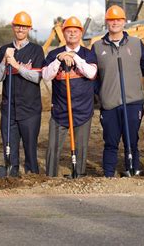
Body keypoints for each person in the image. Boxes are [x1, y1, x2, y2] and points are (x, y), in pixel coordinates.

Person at [92, 5, 144, 177]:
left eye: (118, 19)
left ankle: (133, 170)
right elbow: (93, 75)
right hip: (109, 103)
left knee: (132, 141)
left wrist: (133, 80)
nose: (115, 23)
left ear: (124, 22)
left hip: (132, 102)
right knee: (110, 142)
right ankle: (109, 174)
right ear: (107, 22)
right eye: (111, 20)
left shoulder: (136, 43)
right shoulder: (97, 47)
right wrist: (100, 93)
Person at [42, 16, 97, 177]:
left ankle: (78, 175)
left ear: (80, 33)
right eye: (68, 31)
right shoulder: (54, 54)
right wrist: (59, 59)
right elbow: (46, 76)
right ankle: (51, 176)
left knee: (81, 147)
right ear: (63, 34)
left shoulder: (88, 54)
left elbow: (92, 73)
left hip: (83, 110)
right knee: (53, 147)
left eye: (75, 31)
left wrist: (74, 57)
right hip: (60, 110)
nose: (72, 34)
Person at [0, 11, 44, 176]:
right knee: (9, 149)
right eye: (18, 25)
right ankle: (11, 176)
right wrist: (4, 61)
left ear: (29, 28)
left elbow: (37, 77)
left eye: (24, 26)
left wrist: (16, 66)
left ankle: (32, 177)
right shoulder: (3, 50)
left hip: (30, 109)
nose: (20, 29)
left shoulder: (36, 50)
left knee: (30, 149)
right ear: (13, 27)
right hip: (9, 109)